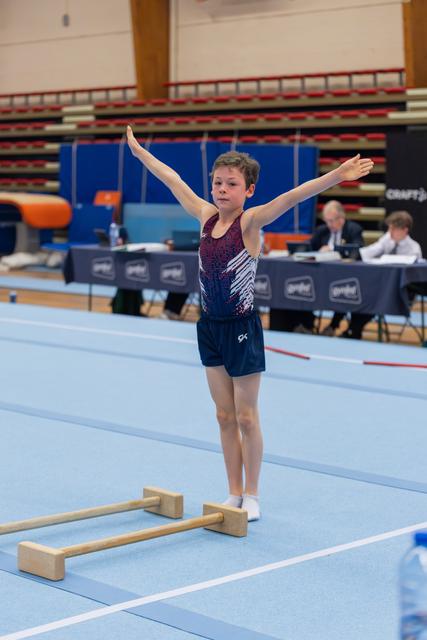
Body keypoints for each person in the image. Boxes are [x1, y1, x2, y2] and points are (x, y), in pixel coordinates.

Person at [127, 125, 373, 520]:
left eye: (231, 184)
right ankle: (233, 491)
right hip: (209, 326)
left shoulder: (250, 223)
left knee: (245, 416)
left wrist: (336, 176)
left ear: (249, 191)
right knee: (223, 416)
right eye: (217, 182)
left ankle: (253, 494)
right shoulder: (205, 216)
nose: (221, 190)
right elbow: (172, 179)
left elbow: (294, 196)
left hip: (242, 327)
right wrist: (141, 154)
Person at [269, 200, 364, 334]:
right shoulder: (322, 230)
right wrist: (298, 249)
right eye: (327, 220)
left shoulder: (354, 229)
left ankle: (333, 325)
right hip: (320, 276)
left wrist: (332, 250)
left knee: (343, 290)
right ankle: (306, 324)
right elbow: (308, 245)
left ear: (341, 219)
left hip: (343, 276)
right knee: (304, 283)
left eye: (331, 221)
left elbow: (358, 249)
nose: (329, 224)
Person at [340, 210, 422, 339]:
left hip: (401, 292)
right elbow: (370, 251)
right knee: (364, 295)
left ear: (404, 230)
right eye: (389, 228)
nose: (390, 232)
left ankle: (353, 330)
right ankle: (354, 330)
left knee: (374, 299)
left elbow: (413, 279)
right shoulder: (387, 239)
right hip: (381, 288)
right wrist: (354, 253)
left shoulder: (414, 249)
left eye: (393, 229)